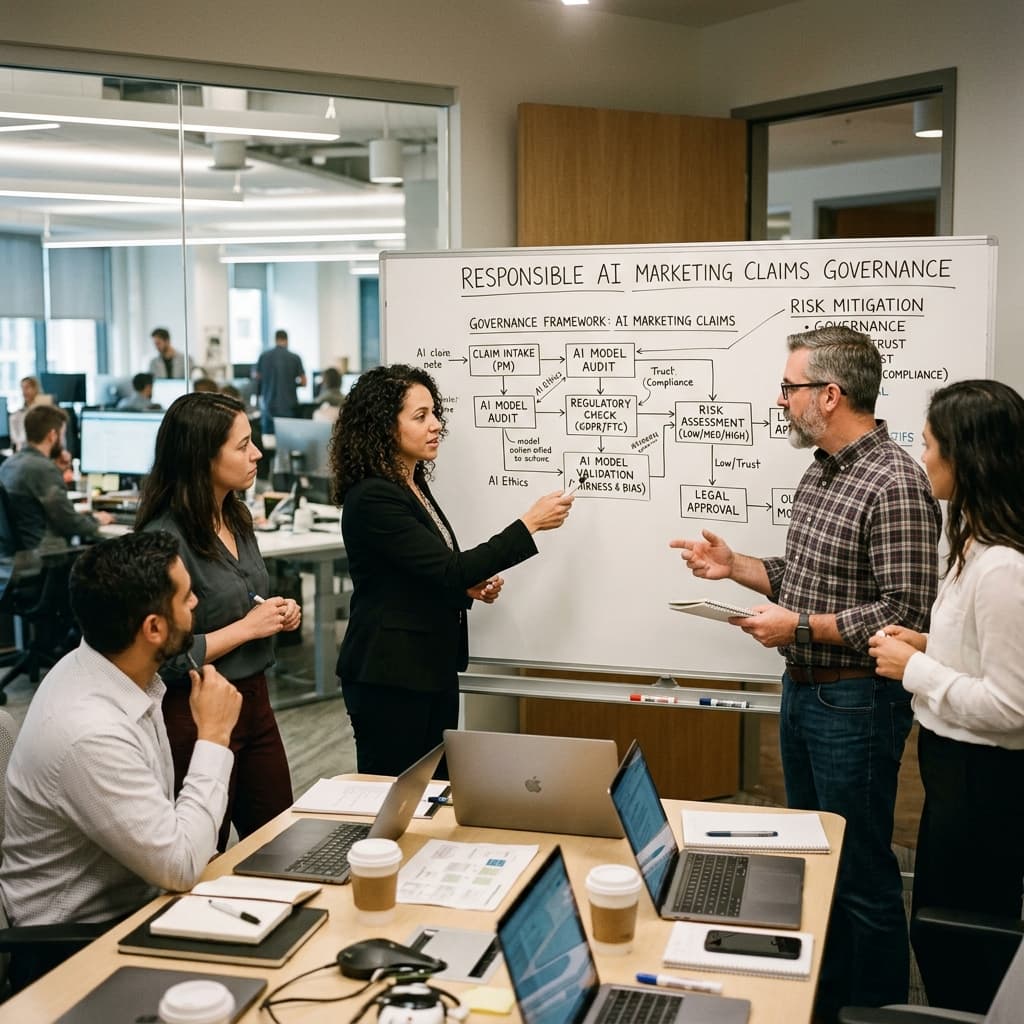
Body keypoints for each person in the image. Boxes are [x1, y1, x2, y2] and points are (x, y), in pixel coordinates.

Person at [670, 326, 941, 1021]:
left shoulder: (896, 482)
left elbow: (906, 610)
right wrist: (735, 569)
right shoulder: (822, 469)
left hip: (856, 705)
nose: (781, 400)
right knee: (813, 864)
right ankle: (825, 1000)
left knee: (859, 873)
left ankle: (875, 1009)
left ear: (830, 394)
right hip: (804, 692)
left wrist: (798, 628)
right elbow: (803, 581)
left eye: (790, 388)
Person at [0, 530, 241, 990]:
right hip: (77, 953)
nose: (196, 604)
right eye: (187, 597)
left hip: (139, 906)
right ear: (153, 628)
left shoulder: (109, 670)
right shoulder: (90, 731)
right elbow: (180, 866)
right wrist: (214, 736)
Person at [330, 364, 574, 777]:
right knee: (395, 793)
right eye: (420, 416)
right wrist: (529, 523)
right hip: (390, 674)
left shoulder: (411, 483)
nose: (436, 425)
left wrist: (466, 590)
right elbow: (448, 568)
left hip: (429, 666)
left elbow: (418, 573)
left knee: (434, 792)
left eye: (435, 414)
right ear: (383, 427)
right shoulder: (373, 497)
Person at [868, 379, 1024, 1002]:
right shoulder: (973, 545)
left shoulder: (1004, 569)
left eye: (930, 444)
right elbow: (988, 658)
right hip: (954, 779)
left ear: (967, 456)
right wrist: (931, 645)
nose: (921, 456)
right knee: (935, 937)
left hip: (983, 787)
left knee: (959, 953)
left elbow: (1013, 707)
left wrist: (915, 668)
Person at [135, 392, 299, 851]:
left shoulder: (236, 516)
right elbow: (163, 657)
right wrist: (248, 627)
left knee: (279, 842)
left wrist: (278, 612)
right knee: (203, 855)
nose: (257, 454)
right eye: (242, 445)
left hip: (256, 702)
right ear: (202, 457)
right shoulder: (164, 540)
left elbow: (245, 597)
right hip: (195, 711)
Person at [0, 404, 112, 551]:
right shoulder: (43, 469)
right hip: (47, 556)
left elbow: (35, 511)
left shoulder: (9, 463)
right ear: (53, 436)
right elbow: (69, 523)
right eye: (63, 435)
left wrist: (57, 470)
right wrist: (97, 519)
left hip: (16, 556)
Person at [254, 328, 306, 435]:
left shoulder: (264, 356)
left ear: (275, 339)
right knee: (287, 441)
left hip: (268, 406)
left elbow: (257, 377)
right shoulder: (295, 358)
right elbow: (304, 381)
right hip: (289, 408)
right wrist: (293, 384)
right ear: (287, 340)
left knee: (268, 442)